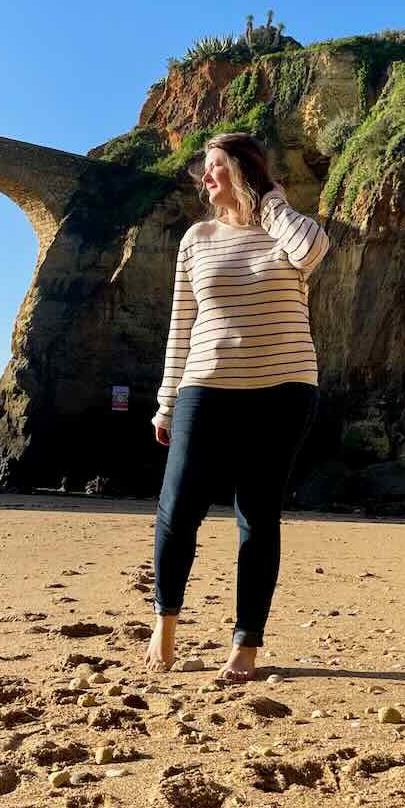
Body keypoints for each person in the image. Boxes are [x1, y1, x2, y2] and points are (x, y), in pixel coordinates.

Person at [144, 131, 329, 682]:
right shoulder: (197, 239)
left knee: (258, 515)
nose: (206, 177)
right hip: (205, 385)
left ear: (243, 172)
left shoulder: (287, 230)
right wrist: (165, 403)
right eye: (206, 167)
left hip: (285, 390)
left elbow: (312, 252)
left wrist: (269, 201)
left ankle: (245, 644)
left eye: (216, 166)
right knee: (178, 509)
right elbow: (182, 325)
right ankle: (165, 625)